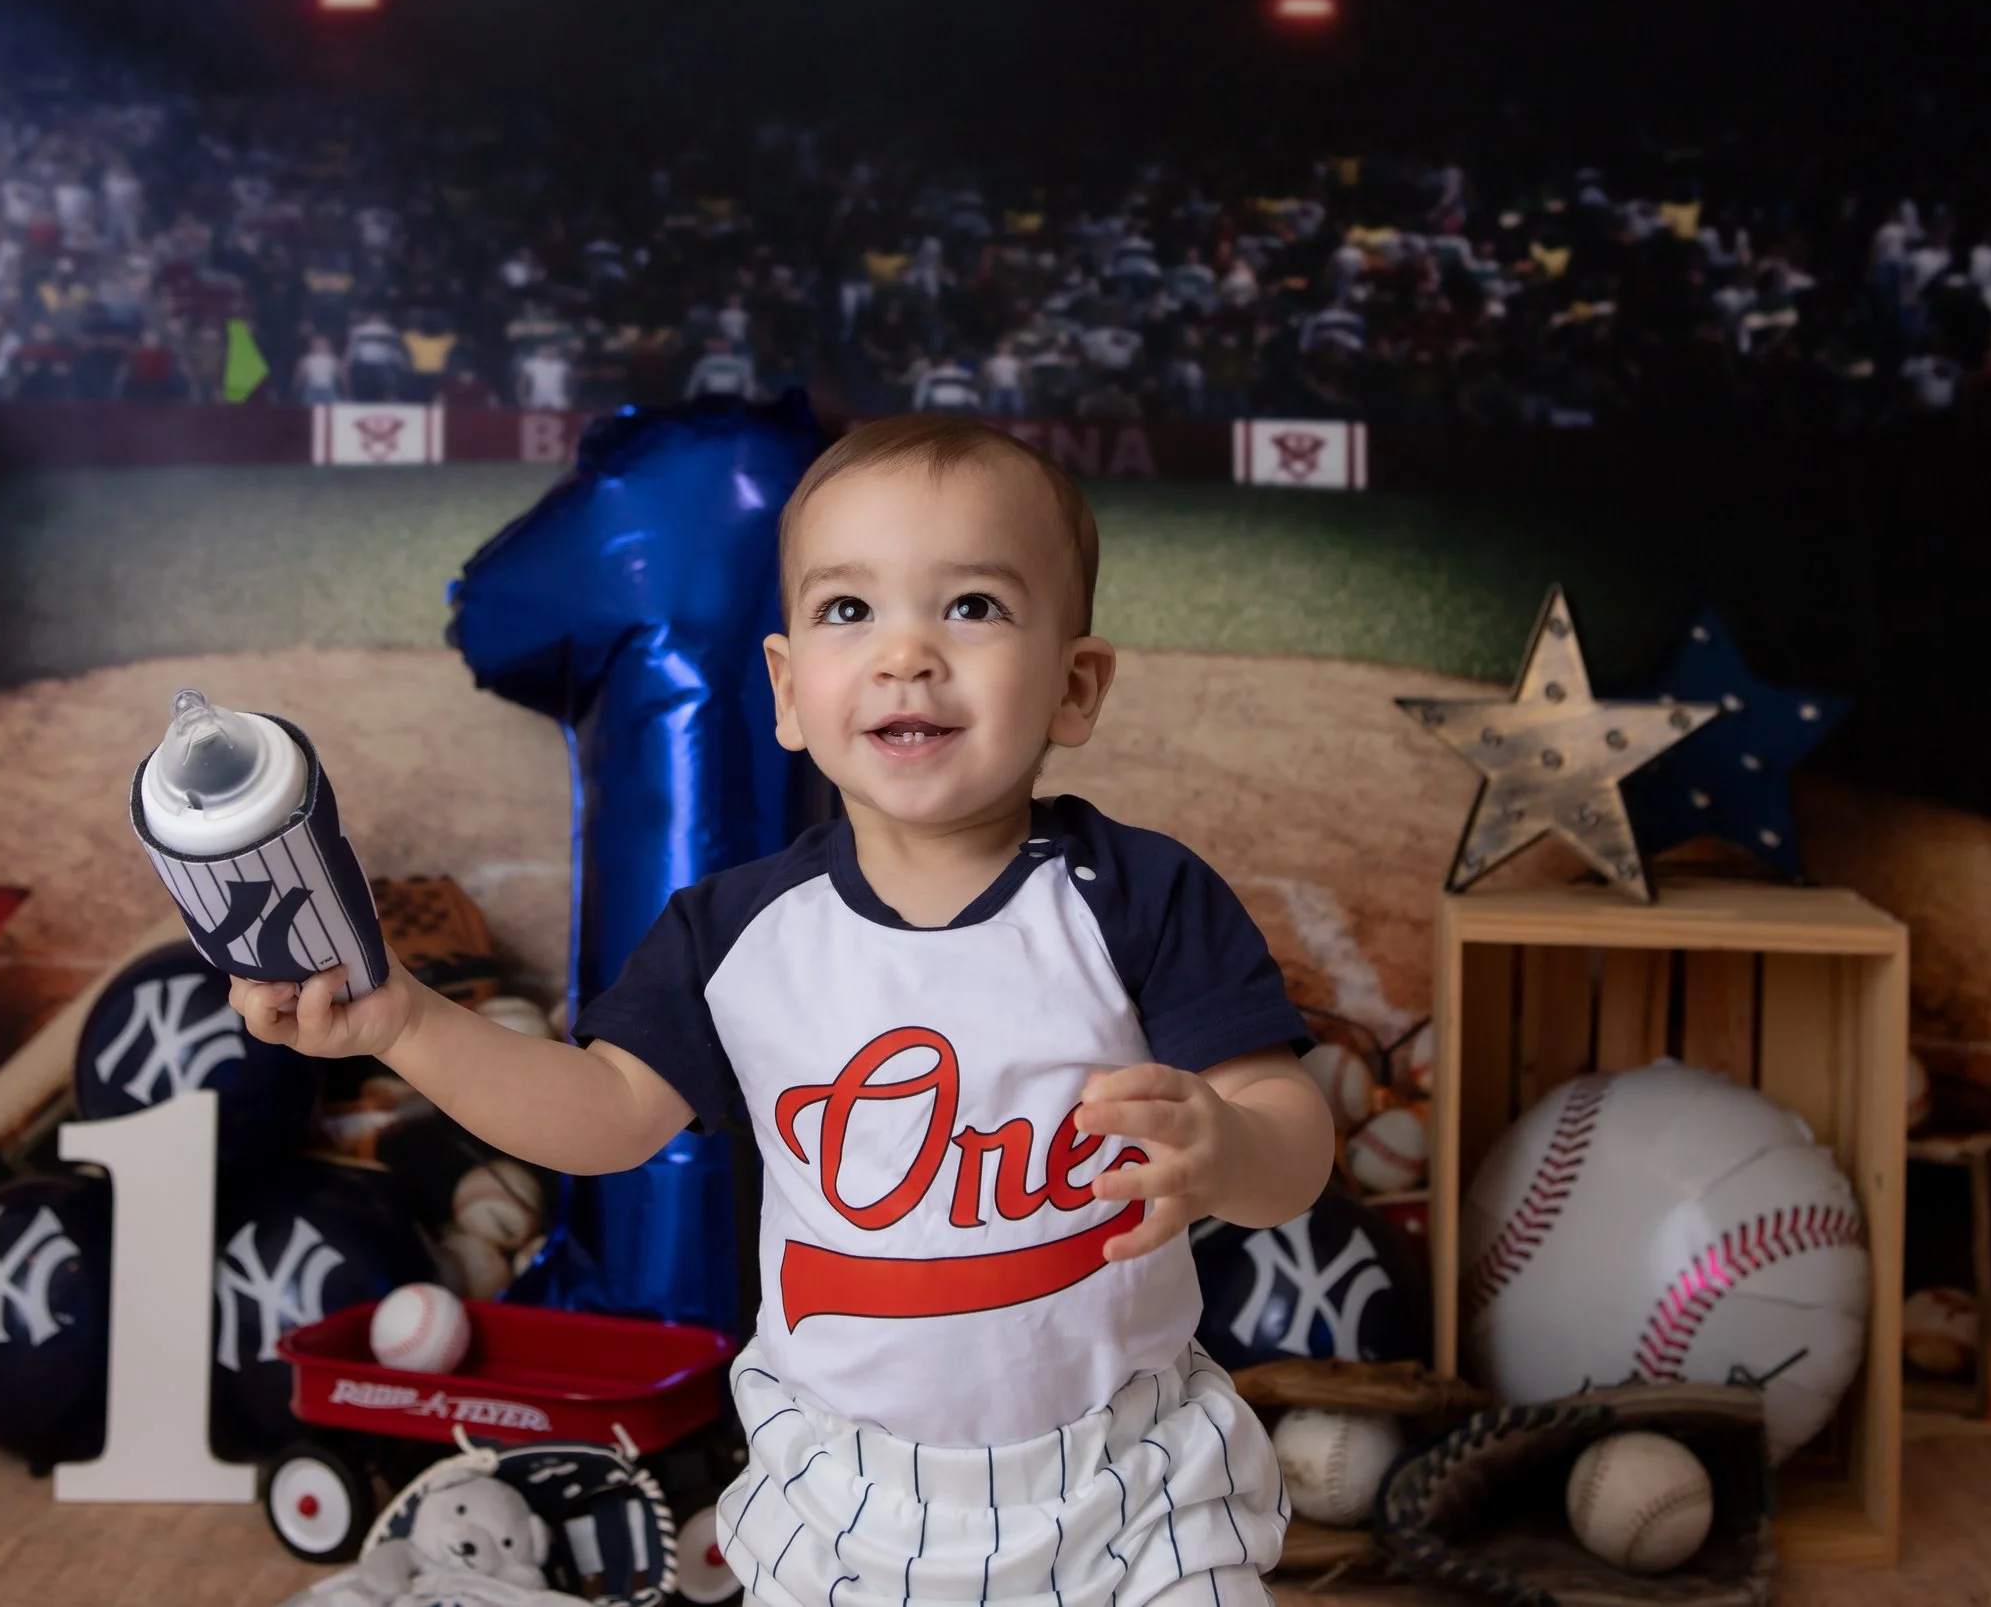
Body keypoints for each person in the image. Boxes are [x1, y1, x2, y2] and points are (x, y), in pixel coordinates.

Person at [230, 416, 1328, 1607]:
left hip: (1129, 1479)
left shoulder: (1139, 897)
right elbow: (605, 1115)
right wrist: (404, 1025)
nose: (907, 652)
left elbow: (1290, 1142)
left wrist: (1233, 1148)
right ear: (787, 690)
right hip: (848, 1495)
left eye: (971, 606)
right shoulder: (737, 929)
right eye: (848, 611)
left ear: (1075, 684)